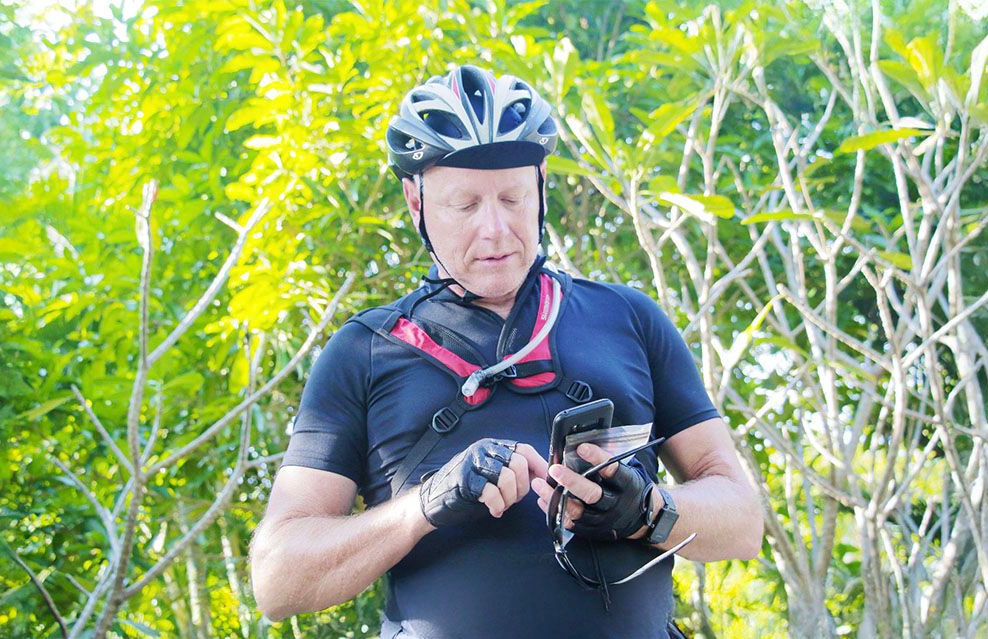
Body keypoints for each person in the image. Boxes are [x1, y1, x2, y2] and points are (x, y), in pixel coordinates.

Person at [249, 64, 763, 638]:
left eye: (513, 198)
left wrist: (648, 510)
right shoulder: (364, 352)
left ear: (541, 185)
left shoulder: (629, 319)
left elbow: (743, 521)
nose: (494, 230)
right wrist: (425, 504)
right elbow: (278, 580)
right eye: (464, 205)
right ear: (415, 202)